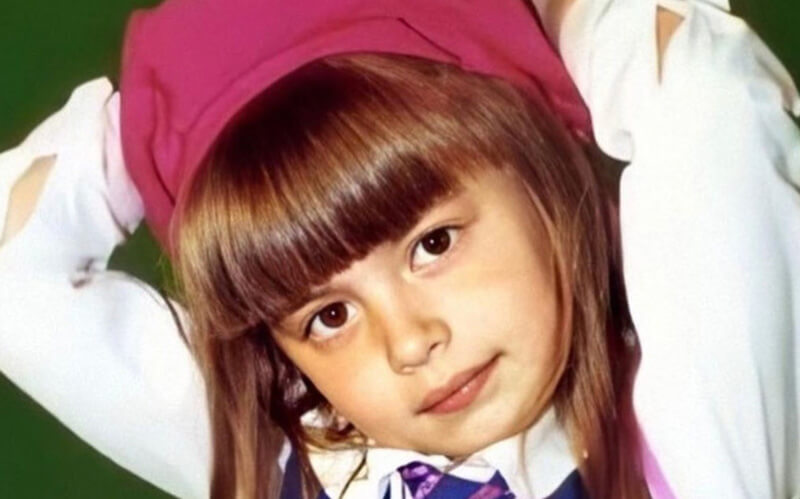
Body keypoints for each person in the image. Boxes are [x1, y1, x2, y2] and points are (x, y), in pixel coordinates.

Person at [0, 1, 797, 498]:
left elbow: (712, 105)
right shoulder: (282, 465)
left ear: (541, 176)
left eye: (434, 243)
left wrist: (554, 19)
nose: (409, 342)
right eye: (329, 316)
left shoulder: (699, 435)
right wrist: (184, 106)